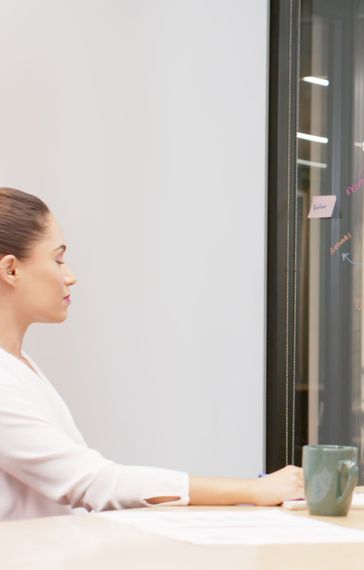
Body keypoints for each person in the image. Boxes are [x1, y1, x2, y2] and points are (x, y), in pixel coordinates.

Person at [0, 188, 303, 521]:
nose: (70, 275)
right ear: (11, 270)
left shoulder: (20, 365)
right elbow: (93, 483)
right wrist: (254, 490)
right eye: (58, 259)